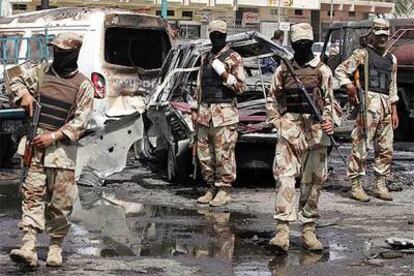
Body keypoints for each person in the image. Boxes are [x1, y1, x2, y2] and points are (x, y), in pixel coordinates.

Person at [8, 32, 94, 267]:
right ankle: (29, 246)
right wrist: (23, 94)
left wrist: (54, 136)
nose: (57, 55)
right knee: (31, 195)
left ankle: (55, 246)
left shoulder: (83, 85)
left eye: (62, 52)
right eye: (55, 51)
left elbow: (82, 121)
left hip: (61, 153)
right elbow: (12, 78)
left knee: (60, 203)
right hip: (34, 147)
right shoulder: (41, 73)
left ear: (73, 54)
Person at [266, 23, 341, 252]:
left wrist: (330, 121)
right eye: (297, 44)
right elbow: (272, 100)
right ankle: (282, 232)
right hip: (289, 133)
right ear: (292, 44)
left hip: (316, 134)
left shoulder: (322, 70)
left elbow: (331, 102)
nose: (301, 48)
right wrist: (280, 124)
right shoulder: (283, 70)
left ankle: (308, 229)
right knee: (285, 180)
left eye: (305, 44)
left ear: (311, 44)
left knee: (313, 183)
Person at [335, 19, 398, 202]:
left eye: (385, 35)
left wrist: (394, 110)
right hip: (368, 104)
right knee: (361, 146)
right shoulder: (362, 54)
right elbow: (340, 71)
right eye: (378, 35)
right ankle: (355, 185)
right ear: (372, 35)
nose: (382, 39)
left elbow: (392, 86)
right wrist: (348, 85)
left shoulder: (391, 59)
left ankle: (380, 184)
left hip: (385, 104)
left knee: (386, 148)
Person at [191, 20, 245, 207]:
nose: (216, 38)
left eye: (220, 35)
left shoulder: (234, 58)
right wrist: (194, 109)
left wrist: (224, 75)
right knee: (205, 154)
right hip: (205, 113)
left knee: (223, 154)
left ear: (225, 36)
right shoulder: (205, 58)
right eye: (213, 35)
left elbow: (240, 87)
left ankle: (224, 189)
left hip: (224, 114)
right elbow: (199, 86)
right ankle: (210, 187)